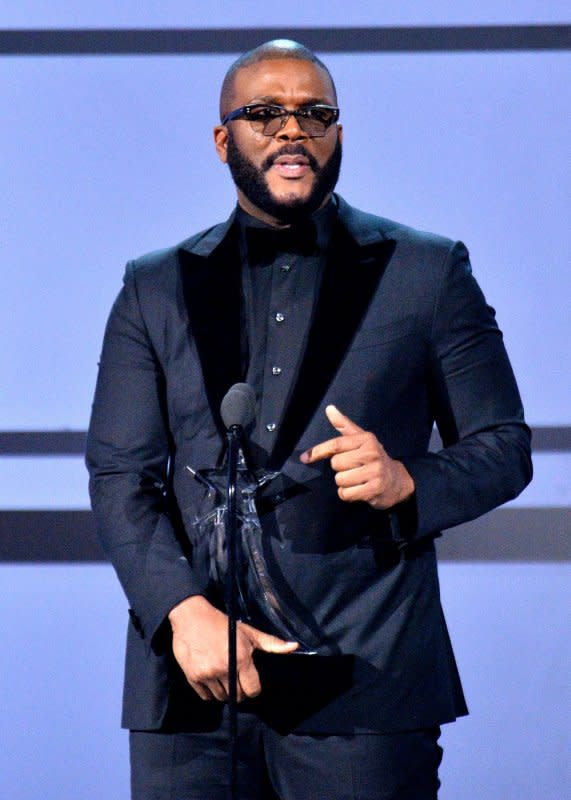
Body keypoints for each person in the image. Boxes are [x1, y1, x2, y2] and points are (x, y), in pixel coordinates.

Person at [86, 39, 532, 800]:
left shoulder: (426, 270)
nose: (292, 129)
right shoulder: (153, 287)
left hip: (364, 679)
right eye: (265, 113)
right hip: (192, 680)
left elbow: (502, 448)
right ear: (224, 140)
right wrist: (180, 610)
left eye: (314, 114)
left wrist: (405, 481)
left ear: (338, 136)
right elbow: (121, 474)